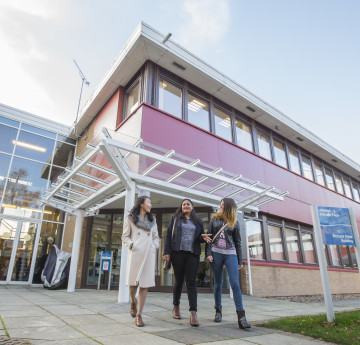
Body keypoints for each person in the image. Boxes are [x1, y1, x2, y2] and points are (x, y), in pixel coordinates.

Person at [205, 198, 251, 329]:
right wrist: (208, 253)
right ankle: (218, 312)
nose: (220, 206)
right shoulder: (214, 219)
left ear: (229, 207)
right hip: (216, 253)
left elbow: (238, 242)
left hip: (230, 254)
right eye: (220, 204)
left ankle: (241, 317)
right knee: (218, 283)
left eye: (223, 205)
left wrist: (240, 260)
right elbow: (209, 237)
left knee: (235, 284)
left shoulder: (234, 222)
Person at [163, 198, 206, 327]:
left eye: (188, 204)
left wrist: (203, 238)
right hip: (178, 253)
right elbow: (168, 236)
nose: (186, 206)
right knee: (179, 281)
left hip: (192, 255)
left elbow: (200, 238)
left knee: (191, 283)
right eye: (184, 204)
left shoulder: (198, 222)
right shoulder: (175, 219)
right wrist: (167, 252)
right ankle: (176, 306)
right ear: (181, 207)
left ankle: (193, 313)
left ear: (192, 207)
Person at [122, 196, 160, 327]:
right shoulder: (131, 218)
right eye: (149, 202)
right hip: (136, 253)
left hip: (149, 254)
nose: (151, 205)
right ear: (142, 204)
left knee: (145, 284)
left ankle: (139, 314)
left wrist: (154, 246)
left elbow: (156, 237)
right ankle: (133, 301)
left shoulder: (153, 220)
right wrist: (132, 245)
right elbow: (125, 236)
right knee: (133, 284)